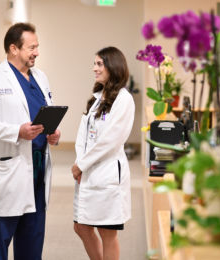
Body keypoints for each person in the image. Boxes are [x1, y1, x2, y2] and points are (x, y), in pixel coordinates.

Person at [0, 22, 60, 260]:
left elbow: (46, 112)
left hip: (37, 173)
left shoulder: (40, 77)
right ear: (13, 48)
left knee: (31, 245)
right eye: (31, 47)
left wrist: (53, 133)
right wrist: (16, 131)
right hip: (7, 174)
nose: (37, 52)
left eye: (37, 46)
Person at [71, 46, 135, 260]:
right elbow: (83, 134)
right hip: (88, 172)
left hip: (107, 173)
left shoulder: (123, 100)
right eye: (95, 63)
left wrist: (82, 165)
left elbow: (110, 140)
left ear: (113, 67)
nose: (94, 69)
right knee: (81, 226)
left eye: (99, 64)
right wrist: (80, 161)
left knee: (107, 232)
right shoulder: (98, 97)